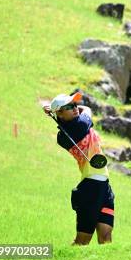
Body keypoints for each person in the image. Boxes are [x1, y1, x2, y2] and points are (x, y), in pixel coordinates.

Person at [42, 92, 115, 245]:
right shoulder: (80, 124)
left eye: (75, 104)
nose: (75, 108)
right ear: (60, 114)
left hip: (104, 186)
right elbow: (87, 109)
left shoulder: (62, 135)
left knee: (106, 237)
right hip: (90, 188)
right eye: (69, 107)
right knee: (82, 242)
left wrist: (55, 111)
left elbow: (80, 110)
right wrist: (54, 111)